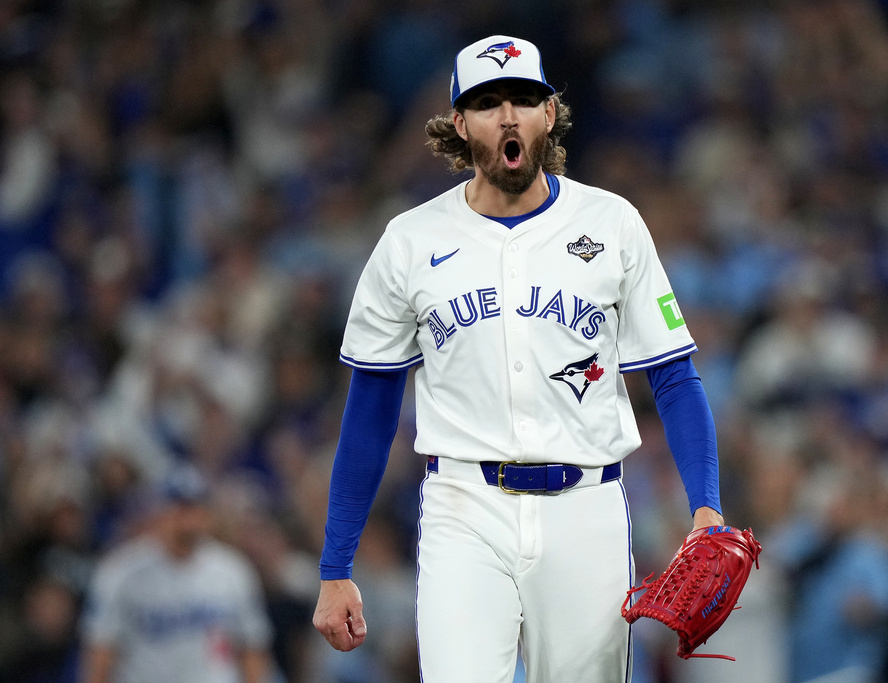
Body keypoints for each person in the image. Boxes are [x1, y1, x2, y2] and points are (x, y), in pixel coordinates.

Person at [312, 34, 725, 683]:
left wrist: (706, 506)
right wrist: (336, 566)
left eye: (524, 99)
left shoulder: (611, 222)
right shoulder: (409, 241)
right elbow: (370, 409)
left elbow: (673, 375)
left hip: (586, 507)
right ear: (460, 124)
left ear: (550, 114)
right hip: (463, 507)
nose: (508, 116)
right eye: (487, 101)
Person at [79, 465, 274, 683]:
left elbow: (252, 648)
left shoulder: (232, 570)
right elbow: (101, 654)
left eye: (194, 508)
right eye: (179, 508)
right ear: (159, 512)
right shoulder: (120, 571)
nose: (188, 519)